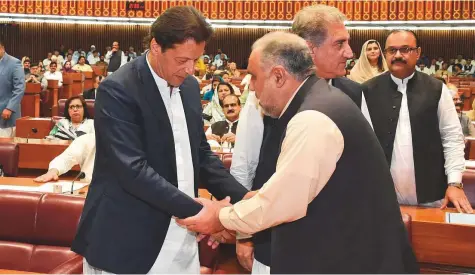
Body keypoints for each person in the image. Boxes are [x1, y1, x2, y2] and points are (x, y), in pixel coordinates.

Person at [177, 31, 418, 273]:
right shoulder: (322, 100)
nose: (248, 85)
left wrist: (220, 217)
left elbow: (284, 203)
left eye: (253, 76)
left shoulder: (313, 118)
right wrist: (257, 200)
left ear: (278, 76)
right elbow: (299, 188)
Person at [71, 6, 249, 274]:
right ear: (156, 46)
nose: (191, 69)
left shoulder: (188, 87)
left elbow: (199, 154)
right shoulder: (119, 89)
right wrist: (206, 215)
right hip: (127, 240)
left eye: (196, 60)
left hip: (182, 236)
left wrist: (245, 200)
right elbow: (133, 170)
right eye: (182, 60)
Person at [231, 5, 374, 273]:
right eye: (340, 43)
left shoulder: (353, 94)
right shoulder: (262, 93)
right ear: (309, 49)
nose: (350, 53)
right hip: (272, 237)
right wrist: (244, 234)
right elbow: (245, 164)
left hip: (333, 243)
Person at [363, 30, 473, 213]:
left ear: (418, 53)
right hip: (382, 199)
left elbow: (452, 138)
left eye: (405, 49)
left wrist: (455, 182)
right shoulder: (368, 90)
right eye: (392, 50)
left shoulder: (438, 89)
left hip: (433, 197)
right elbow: (363, 145)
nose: (398, 55)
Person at [0, 38, 25, 138]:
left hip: (6, 113)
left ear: (2, 48)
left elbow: (19, 88)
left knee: (4, 148)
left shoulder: (14, 63)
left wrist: (9, 108)